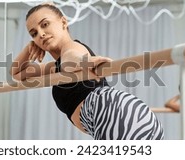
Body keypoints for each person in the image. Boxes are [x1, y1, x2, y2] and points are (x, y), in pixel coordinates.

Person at [9, 3, 164, 140]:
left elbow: (72, 59)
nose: (40, 34)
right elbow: (16, 73)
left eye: (45, 24)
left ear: (63, 22)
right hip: (132, 114)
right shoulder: (55, 67)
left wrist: (85, 62)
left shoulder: (71, 49)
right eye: (33, 33)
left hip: (113, 113)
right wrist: (29, 47)